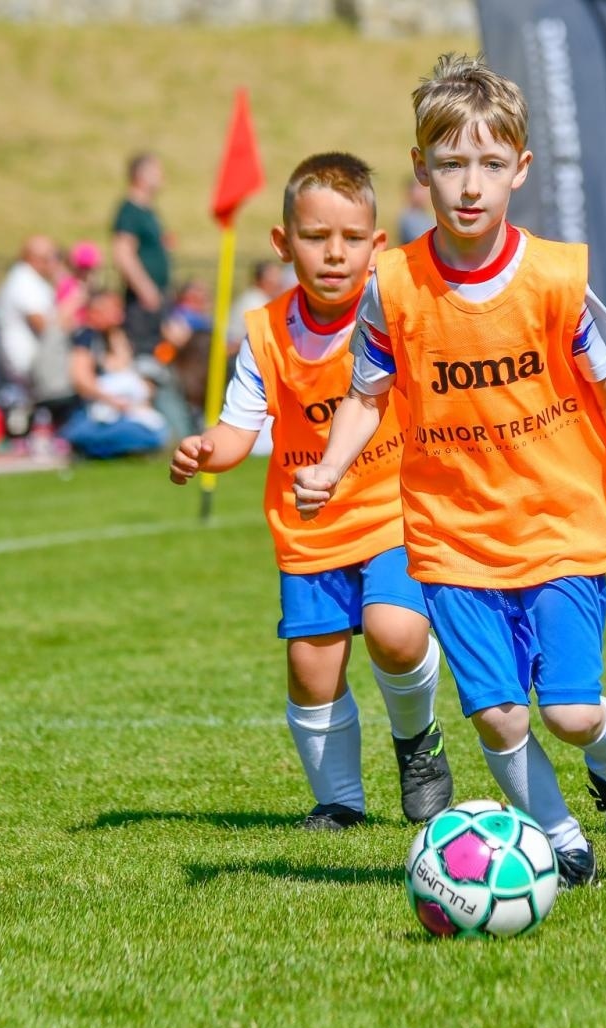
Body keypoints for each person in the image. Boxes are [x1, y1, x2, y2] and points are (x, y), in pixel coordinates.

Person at [293, 55, 606, 887]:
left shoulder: (554, 279)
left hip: (560, 526)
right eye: (451, 164)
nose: (470, 186)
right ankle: (558, 842)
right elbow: (368, 392)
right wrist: (329, 465)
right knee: (502, 717)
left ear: (521, 169)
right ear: (420, 168)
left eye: (491, 165)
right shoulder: (392, 284)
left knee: (573, 713)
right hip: (453, 537)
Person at [169, 152, 455, 829]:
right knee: (310, 668)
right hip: (309, 529)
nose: (335, 254)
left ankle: (417, 743)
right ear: (283, 242)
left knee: (394, 631)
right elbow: (239, 430)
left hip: (393, 513)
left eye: (353, 239)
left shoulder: (394, 317)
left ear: (377, 245)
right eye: (316, 237)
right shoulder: (266, 334)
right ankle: (340, 804)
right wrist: (206, 448)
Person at [59, 290, 166, 458]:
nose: (120, 315)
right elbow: (81, 381)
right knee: (147, 435)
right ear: (95, 312)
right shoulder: (86, 338)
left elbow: (126, 369)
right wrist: (113, 401)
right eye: (113, 309)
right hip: (89, 414)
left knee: (157, 431)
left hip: (119, 411)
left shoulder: (113, 337)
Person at [112, 152, 171, 359]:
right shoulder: (130, 210)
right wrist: (145, 289)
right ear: (141, 175)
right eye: (157, 171)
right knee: (144, 352)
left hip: (155, 295)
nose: (162, 176)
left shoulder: (147, 209)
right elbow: (122, 253)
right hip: (144, 299)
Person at [0, 235, 67, 394]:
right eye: (54, 256)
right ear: (36, 259)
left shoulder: (28, 280)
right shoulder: (25, 282)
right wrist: (72, 300)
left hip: (34, 361)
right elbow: (45, 327)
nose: (58, 262)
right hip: (31, 363)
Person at [226, 260, 289, 356]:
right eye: (274, 277)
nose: (279, 282)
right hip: (239, 355)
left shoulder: (258, 298)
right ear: (261, 280)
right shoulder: (255, 302)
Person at [397, 176, 433, 244]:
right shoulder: (407, 217)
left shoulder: (427, 217)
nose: (424, 193)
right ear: (411, 191)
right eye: (420, 189)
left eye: (425, 189)